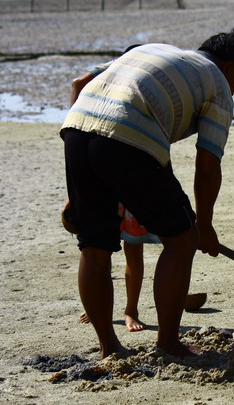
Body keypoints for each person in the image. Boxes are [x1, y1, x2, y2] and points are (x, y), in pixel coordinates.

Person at [61, 30, 234, 359]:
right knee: (181, 239)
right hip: (129, 137)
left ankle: (110, 347)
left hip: (76, 128)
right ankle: (169, 342)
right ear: (227, 66)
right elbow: (207, 166)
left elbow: (80, 85)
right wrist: (204, 228)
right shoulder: (217, 84)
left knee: (94, 247)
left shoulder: (152, 50)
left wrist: (84, 176)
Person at [68, 52, 206, 333]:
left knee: (111, 248)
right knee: (113, 246)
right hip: (124, 157)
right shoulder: (148, 70)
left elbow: (78, 83)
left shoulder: (125, 68)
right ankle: (157, 332)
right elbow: (78, 82)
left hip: (90, 141)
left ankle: (127, 314)